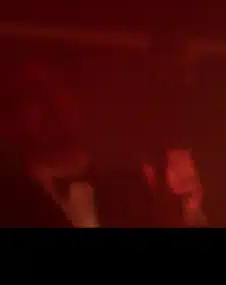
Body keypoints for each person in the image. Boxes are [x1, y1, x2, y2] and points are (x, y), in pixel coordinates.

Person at [0, 54, 203, 227]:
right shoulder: (10, 202)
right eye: (32, 95)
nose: (52, 102)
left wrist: (190, 214)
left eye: (58, 88)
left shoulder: (134, 187)